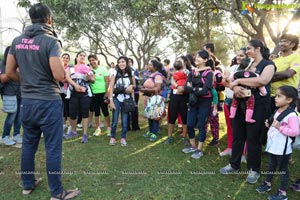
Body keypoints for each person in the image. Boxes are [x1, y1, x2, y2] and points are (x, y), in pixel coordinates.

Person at [6, 3, 80, 199]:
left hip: (28, 102)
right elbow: (58, 74)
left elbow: (9, 72)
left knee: (29, 144)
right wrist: (63, 74)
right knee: (53, 147)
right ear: (49, 19)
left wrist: (29, 81)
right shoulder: (51, 41)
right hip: (48, 101)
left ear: (31, 18)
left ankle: (27, 185)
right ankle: (57, 193)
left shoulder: (17, 40)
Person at [220, 39, 276, 184]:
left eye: (249, 48)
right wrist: (234, 88)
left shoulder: (268, 65)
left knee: (253, 138)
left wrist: (239, 82)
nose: (247, 51)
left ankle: (254, 169)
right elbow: (230, 80)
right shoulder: (247, 63)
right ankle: (234, 164)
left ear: (258, 48)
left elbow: (262, 81)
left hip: (258, 106)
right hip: (240, 104)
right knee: (238, 135)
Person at [256, 85, 299, 200]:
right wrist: (269, 123)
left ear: (289, 100)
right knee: (271, 166)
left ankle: (282, 193)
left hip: (282, 150)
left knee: (282, 170)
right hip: (274, 146)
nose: (275, 98)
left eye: (279, 96)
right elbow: (274, 122)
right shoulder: (278, 110)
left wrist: (280, 127)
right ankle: (267, 184)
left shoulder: (291, 115)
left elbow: (295, 132)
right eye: (276, 95)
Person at [181, 50, 214, 159]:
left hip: (205, 102)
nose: (196, 58)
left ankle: (199, 149)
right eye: (196, 57)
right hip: (193, 101)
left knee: (201, 125)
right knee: (190, 124)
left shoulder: (209, 73)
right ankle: (193, 146)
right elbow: (186, 88)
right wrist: (197, 89)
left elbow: (205, 91)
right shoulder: (192, 72)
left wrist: (192, 89)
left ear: (205, 60)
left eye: (199, 57)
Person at [220, 48, 247, 157]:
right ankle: (230, 147)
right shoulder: (232, 67)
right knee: (230, 126)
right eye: (238, 55)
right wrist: (232, 85)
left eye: (241, 55)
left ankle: (244, 153)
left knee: (243, 128)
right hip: (229, 100)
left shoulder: (250, 69)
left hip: (243, 102)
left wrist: (231, 84)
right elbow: (223, 82)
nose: (238, 57)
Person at [64, 51, 94, 143]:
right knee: (72, 114)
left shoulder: (88, 68)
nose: (82, 57)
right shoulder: (71, 67)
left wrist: (89, 77)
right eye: (81, 55)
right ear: (77, 57)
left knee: (85, 114)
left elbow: (93, 80)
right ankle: (73, 131)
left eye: (84, 56)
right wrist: (75, 85)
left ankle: (85, 134)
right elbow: (67, 78)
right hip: (73, 94)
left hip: (84, 94)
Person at [229, 57, 267, 123]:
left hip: (238, 93)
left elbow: (229, 79)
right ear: (249, 67)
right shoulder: (255, 75)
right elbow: (261, 85)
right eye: (254, 67)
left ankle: (232, 114)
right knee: (250, 105)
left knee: (234, 103)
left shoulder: (236, 74)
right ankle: (248, 118)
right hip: (249, 94)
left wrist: (233, 85)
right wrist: (264, 93)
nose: (255, 68)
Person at [108, 56, 135, 146]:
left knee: (124, 120)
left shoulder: (131, 72)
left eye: (123, 62)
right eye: (119, 62)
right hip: (116, 99)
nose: (121, 64)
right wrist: (111, 101)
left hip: (126, 100)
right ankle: (113, 137)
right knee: (115, 120)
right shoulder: (114, 72)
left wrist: (131, 86)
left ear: (127, 63)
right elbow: (111, 87)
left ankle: (123, 138)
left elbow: (134, 85)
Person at [271, 34, 300, 112]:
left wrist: (272, 75)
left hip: (287, 98)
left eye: (285, 41)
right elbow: (267, 77)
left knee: (285, 122)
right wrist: (282, 74)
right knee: (270, 122)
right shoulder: (275, 60)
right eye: (280, 41)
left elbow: (289, 74)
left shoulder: (297, 57)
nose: (281, 43)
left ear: (293, 44)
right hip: (272, 96)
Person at [0, 46, 22, 146]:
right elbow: (2, 79)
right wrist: (12, 71)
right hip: (9, 93)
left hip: (20, 93)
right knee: (11, 115)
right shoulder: (2, 64)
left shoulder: (21, 64)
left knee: (19, 116)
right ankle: (5, 136)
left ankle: (16, 134)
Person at [164, 57, 190, 144]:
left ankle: (184, 138)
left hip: (184, 97)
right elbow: (172, 81)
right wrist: (178, 87)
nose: (178, 62)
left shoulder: (188, 71)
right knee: (172, 117)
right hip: (174, 97)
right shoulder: (174, 72)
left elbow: (190, 81)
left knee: (184, 118)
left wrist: (183, 88)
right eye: (177, 60)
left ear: (184, 62)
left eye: (180, 60)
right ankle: (169, 137)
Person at [140, 59, 165, 142]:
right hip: (149, 98)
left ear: (155, 67)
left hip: (155, 99)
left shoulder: (157, 76)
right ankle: (150, 131)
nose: (148, 66)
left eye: (150, 65)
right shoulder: (151, 74)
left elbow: (158, 88)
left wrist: (145, 90)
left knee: (155, 116)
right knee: (149, 115)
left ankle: (154, 133)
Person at [87, 54, 111, 136]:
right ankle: (98, 129)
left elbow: (107, 81)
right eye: (90, 61)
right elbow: (89, 80)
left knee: (105, 111)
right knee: (96, 112)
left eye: (93, 60)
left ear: (97, 60)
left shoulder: (103, 69)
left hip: (103, 93)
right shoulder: (89, 70)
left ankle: (109, 128)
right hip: (94, 94)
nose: (92, 62)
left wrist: (106, 93)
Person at [127, 58, 141, 131]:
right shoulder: (124, 71)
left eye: (130, 62)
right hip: (126, 93)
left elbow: (137, 80)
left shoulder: (135, 70)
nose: (129, 63)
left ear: (132, 63)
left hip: (135, 92)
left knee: (134, 109)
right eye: (127, 62)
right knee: (126, 108)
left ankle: (135, 126)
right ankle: (127, 126)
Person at [60, 53, 71, 130]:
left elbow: (68, 78)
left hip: (66, 91)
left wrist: (62, 80)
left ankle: (67, 124)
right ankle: (61, 123)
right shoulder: (58, 67)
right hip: (58, 90)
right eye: (64, 57)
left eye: (67, 58)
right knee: (59, 107)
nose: (65, 59)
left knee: (66, 108)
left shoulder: (69, 69)